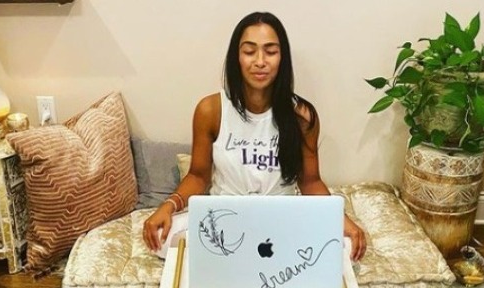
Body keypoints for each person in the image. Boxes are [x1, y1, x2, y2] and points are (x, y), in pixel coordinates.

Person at [142, 11, 366, 261]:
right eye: (250, 51)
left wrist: (339, 218)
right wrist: (169, 205)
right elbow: (198, 175)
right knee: (160, 239)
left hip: (280, 218)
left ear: (282, 58)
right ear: (236, 57)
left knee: (347, 245)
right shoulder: (211, 110)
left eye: (270, 52)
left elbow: (310, 182)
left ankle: (246, 256)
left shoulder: (302, 116)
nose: (260, 61)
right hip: (225, 218)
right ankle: (257, 256)